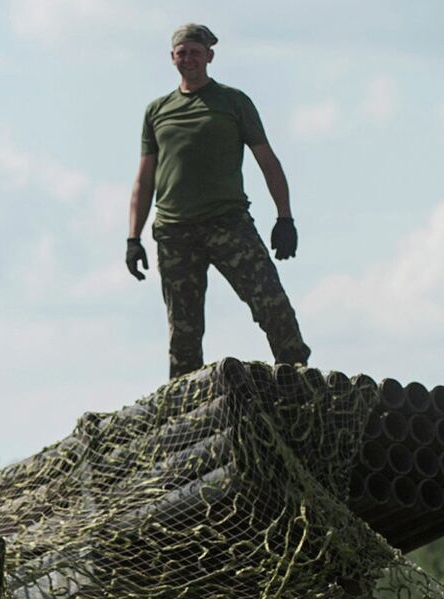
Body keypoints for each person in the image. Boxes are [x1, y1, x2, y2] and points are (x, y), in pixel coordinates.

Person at [124, 22, 311, 378]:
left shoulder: (232, 102)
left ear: (209, 56)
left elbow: (267, 161)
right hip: (175, 231)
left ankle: (297, 379)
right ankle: (187, 410)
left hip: (228, 223)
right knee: (183, 331)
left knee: (271, 303)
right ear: (172, 59)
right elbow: (144, 178)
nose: (189, 59)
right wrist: (133, 239)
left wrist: (284, 218)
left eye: (196, 52)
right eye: (182, 53)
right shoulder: (157, 111)